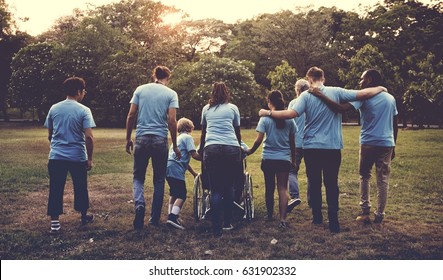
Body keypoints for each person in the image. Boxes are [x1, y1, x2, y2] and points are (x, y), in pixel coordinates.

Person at [259, 66, 386, 233]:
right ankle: (334, 221)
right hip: (332, 147)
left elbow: (290, 114)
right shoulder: (337, 91)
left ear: (309, 79)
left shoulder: (305, 96)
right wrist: (380, 88)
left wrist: (267, 113)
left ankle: (317, 217)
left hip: (312, 147)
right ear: (323, 79)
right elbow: (363, 94)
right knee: (332, 183)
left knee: (315, 182)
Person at [309, 69, 398, 224]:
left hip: (368, 142)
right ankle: (380, 214)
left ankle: (365, 211)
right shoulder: (390, 98)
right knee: (383, 180)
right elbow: (395, 123)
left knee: (365, 176)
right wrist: (394, 145)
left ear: (369, 79)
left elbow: (340, 109)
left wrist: (321, 95)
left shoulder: (364, 97)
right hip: (387, 143)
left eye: (362, 79)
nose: (360, 82)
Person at [126, 65, 181, 230]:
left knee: (138, 177)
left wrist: (128, 138)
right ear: (168, 77)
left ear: (154, 75)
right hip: (159, 140)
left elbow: (131, 115)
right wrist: (175, 145)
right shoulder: (171, 94)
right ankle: (154, 218)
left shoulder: (140, 90)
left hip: (141, 138)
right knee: (159, 179)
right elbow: (172, 121)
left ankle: (139, 205)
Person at [44, 77, 95, 234]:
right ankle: (83, 215)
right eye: (84, 90)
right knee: (80, 186)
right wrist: (90, 158)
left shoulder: (54, 108)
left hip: (56, 156)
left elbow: (50, 135)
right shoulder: (84, 110)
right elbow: (89, 137)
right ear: (79, 91)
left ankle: (54, 223)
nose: (84, 93)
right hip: (77, 156)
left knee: (56, 187)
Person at [247, 90, 297, 229]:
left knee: (269, 188)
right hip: (284, 159)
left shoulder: (265, 119)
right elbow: (293, 143)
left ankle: (269, 215)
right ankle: (282, 219)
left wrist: (250, 151)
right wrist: (293, 160)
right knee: (283, 189)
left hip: (268, 159)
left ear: (270, 102)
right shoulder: (290, 120)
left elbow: (258, 140)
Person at [199, 82, 242, 237]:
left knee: (215, 188)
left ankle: (216, 226)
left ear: (212, 93)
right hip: (231, 148)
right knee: (229, 186)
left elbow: (204, 133)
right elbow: (237, 132)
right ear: (227, 92)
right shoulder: (233, 108)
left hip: (212, 149)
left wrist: (201, 149)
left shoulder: (206, 109)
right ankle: (227, 222)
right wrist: (239, 147)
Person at [166, 118, 201, 230]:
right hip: (176, 169)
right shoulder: (188, 137)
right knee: (181, 194)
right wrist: (206, 158)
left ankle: (170, 215)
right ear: (190, 127)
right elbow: (194, 154)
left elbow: (185, 161)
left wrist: (193, 173)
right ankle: (173, 217)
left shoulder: (178, 138)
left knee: (174, 193)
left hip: (168, 167)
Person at [288, 79, 310, 209]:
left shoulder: (293, 103)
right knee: (311, 173)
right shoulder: (313, 103)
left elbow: (289, 121)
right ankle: (312, 200)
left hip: (295, 143)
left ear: (297, 90)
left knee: (292, 171)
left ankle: (295, 196)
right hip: (309, 143)